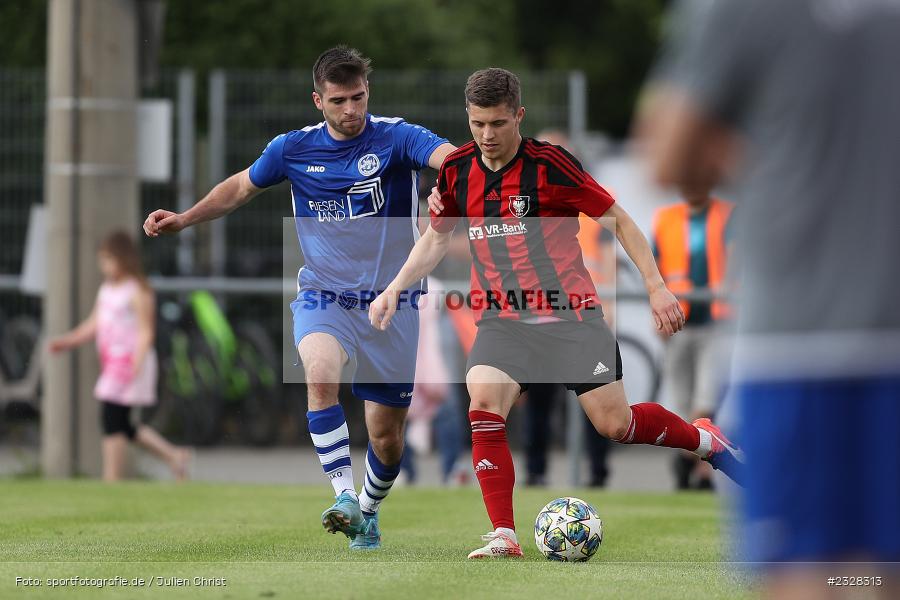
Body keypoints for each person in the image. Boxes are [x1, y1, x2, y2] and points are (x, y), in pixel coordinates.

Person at [369, 67, 744, 559]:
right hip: (504, 321)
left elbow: (619, 220)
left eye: (498, 123)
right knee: (484, 401)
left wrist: (656, 287)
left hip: (571, 317)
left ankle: (705, 440)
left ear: (518, 116)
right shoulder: (457, 170)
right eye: (478, 123)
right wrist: (395, 288)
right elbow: (436, 240)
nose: (486, 134)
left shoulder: (550, 165)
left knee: (615, 425)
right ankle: (504, 534)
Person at [144, 46, 455, 550]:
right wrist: (185, 218)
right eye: (339, 100)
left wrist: (449, 187)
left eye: (358, 97)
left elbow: (451, 158)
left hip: (391, 302)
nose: (351, 109)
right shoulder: (292, 149)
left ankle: (367, 510)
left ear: (368, 93)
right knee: (320, 373)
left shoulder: (396, 137)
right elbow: (239, 188)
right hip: (324, 294)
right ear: (318, 100)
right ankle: (343, 496)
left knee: (386, 437)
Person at [639, 0, 900, 597]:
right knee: (881, 572)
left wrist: (790, 155)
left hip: (793, 341)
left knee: (804, 573)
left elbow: (669, 154)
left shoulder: (738, 9)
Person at [48, 231, 190, 482]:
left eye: (108, 259)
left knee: (111, 417)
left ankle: (111, 477)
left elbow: (146, 331)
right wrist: (67, 341)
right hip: (112, 363)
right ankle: (174, 456)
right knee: (122, 423)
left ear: (123, 258)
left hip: (129, 362)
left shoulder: (137, 290)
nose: (104, 266)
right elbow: (93, 324)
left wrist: (138, 361)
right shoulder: (106, 290)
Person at [651, 185, 734, 489]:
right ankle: (691, 463)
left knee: (705, 398)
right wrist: (657, 314)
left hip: (716, 320)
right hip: (678, 321)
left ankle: (693, 464)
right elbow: (656, 269)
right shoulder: (666, 218)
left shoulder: (727, 215)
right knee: (682, 400)